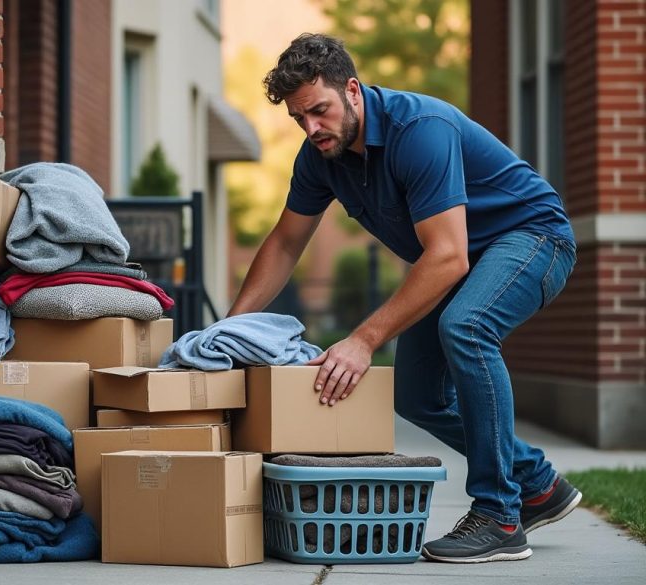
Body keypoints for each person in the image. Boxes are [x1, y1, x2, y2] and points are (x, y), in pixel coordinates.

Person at [228, 33, 581, 563]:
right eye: (299, 118)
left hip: (533, 239)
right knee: (415, 393)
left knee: (466, 327)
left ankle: (499, 515)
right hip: (461, 258)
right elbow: (284, 242)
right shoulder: (319, 156)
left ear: (352, 89)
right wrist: (227, 331)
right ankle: (536, 484)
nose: (311, 128)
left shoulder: (420, 130)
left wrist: (363, 339)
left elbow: (448, 256)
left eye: (319, 112)